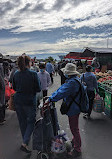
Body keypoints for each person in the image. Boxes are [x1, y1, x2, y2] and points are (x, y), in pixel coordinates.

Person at [44, 63, 82, 158]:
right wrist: (51, 97)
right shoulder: (73, 80)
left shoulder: (72, 83)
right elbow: (61, 89)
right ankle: (74, 142)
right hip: (75, 107)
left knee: (74, 129)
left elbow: (61, 92)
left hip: (74, 108)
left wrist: (51, 99)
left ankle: (77, 149)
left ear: (68, 73)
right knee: (75, 127)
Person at [12, 56, 41, 153]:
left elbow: (14, 88)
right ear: (29, 63)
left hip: (18, 100)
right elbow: (38, 88)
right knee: (31, 122)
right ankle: (24, 143)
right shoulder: (33, 74)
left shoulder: (16, 74)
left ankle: (25, 142)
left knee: (22, 122)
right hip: (29, 100)